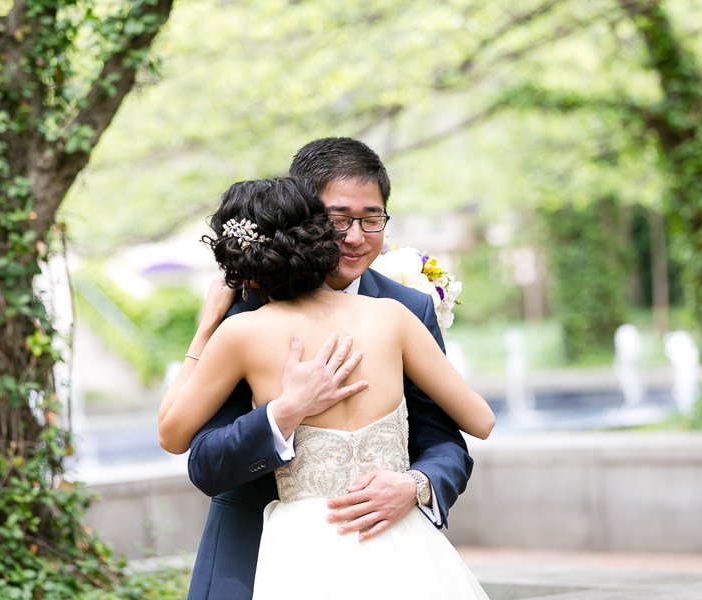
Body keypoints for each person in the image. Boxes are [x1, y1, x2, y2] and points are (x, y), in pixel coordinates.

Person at [165, 138, 474, 600]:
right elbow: (205, 461)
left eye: (371, 219)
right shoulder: (245, 310)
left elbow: (444, 438)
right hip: (253, 558)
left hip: (388, 559)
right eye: (337, 219)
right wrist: (281, 415)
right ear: (303, 218)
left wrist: (416, 485)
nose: (354, 236)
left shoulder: (406, 307)